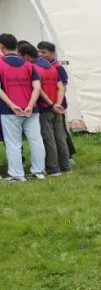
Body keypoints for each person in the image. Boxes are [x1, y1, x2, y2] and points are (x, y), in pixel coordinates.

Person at [0, 33, 45, 181]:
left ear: (1, 47)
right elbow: (37, 87)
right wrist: (30, 106)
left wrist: (11, 105)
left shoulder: (1, 64)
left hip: (9, 111)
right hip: (32, 110)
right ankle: (39, 171)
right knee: (36, 140)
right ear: (16, 46)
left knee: (13, 143)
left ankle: (17, 175)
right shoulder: (29, 65)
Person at [18, 42, 64, 177]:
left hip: (45, 108)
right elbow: (61, 87)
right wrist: (58, 104)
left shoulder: (33, 67)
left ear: (26, 56)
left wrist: (51, 104)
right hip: (56, 108)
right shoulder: (52, 66)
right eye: (39, 51)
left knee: (48, 139)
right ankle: (65, 166)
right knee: (60, 138)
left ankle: (53, 169)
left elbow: (39, 89)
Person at [36, 40, 74, 166]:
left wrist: (56, 104)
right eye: (39, 52)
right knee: (56, 135)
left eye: (44, 52)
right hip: (51, 105)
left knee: (61, 134)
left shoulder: (58, 67)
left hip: (58, 105)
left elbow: (63, 88)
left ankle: (68, 156)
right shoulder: (42, 66)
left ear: (52, 53)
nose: (41, 55)